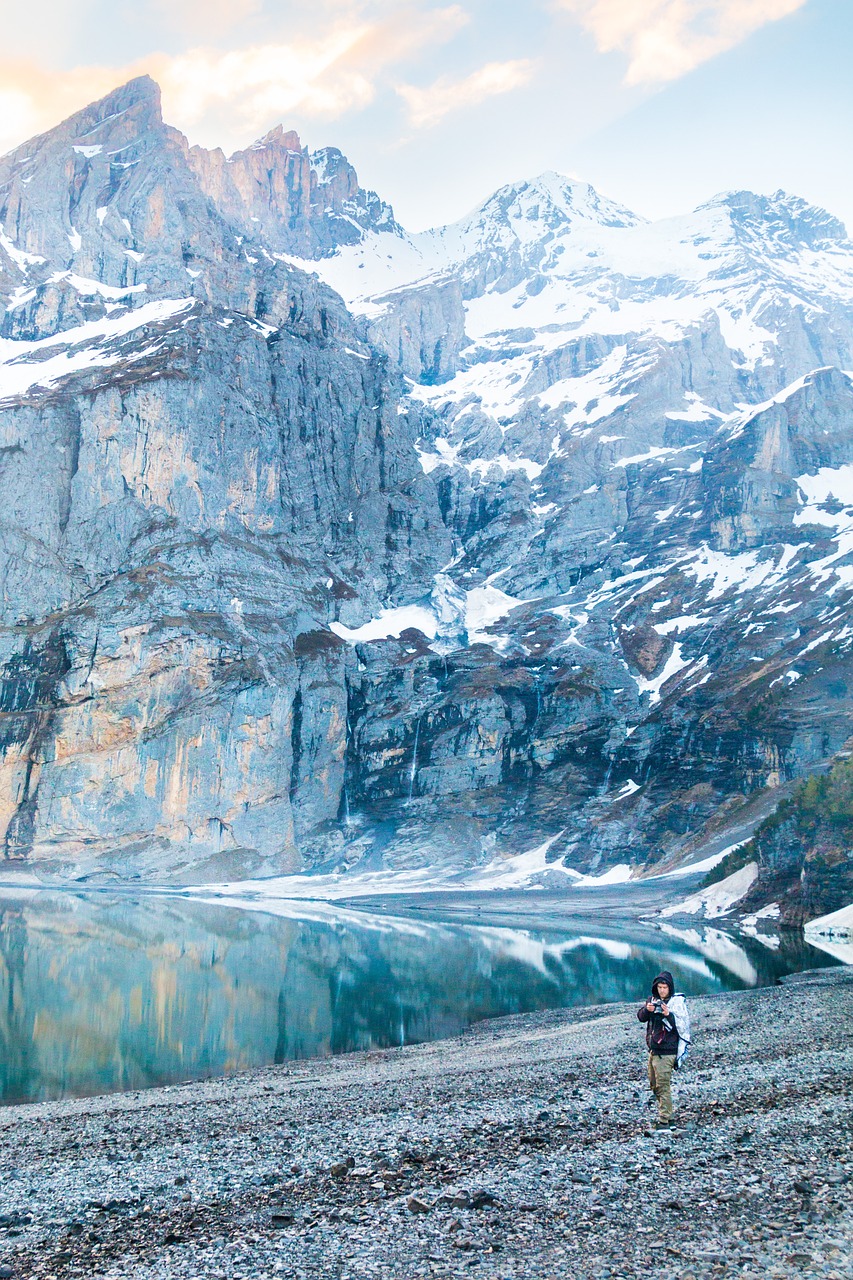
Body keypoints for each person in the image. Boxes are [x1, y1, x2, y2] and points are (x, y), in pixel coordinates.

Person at [637, 970, 685, 1128]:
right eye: (660, 987)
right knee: (654, 1084)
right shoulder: (652, 1000)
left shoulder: (676, 1003)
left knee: (662, 1085)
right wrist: (647, 1010)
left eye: (665, 987)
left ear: (670, 988)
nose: (662, 990)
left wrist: (668, 1015)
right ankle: (669, 1117)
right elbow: (641, 1017)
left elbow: (681, 1025)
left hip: (667, 1051)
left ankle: (664, 1121)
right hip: (654, 1050)